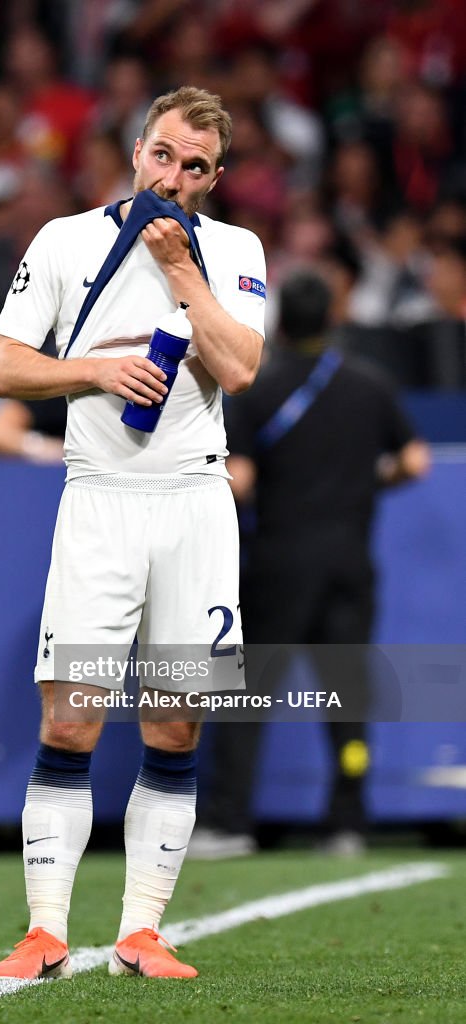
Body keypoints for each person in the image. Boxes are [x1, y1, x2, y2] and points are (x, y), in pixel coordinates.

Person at [0, 86, 265, 980]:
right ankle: (45, 933)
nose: (173, 176)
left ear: (215, 179)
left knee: (176, 723)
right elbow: (2, 367)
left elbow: (242, 368)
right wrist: (98, 372)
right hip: (100, 494)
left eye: (196, 167)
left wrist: (182, 273)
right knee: (72, 718)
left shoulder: (233, 251)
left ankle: (141, 932)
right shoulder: (65, 239)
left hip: (193, 499)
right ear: (135, 147)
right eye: (163, 155)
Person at [190, 270, 430, 860]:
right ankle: (347, 823)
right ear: (333, 315)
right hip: (350, 561)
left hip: (279, 562)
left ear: (280, 321)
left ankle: (232, 821)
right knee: (348, 701)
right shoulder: (371, 385)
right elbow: (416, 460)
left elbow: (239, 481)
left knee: (244, 699)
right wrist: (369, 483)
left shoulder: (261, 389)